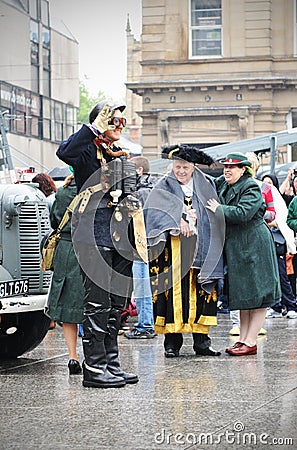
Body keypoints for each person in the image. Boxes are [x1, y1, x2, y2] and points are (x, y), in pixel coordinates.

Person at [56, 100, 139, 388]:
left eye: (121, 121)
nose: (118, 125)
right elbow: (64, 151)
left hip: (119, 237)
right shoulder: (85, 152)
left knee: (116, 304)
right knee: (97, 304)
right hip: (92, 236)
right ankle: (94, 367)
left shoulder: (119, 154)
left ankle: (110, 363)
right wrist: (93, 128)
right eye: (112, 120)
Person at [145, 144, 224, 358]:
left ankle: (202, 342)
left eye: (185, 167)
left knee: (200, 290)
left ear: (194, 167)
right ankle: (172, 342)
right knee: (172, 293)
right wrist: (176, 220)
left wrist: (201, 216)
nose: (181, 171)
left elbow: (217, 213)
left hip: (201, 247)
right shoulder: (163, 186)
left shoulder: (206, 184)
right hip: (172, 251)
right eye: (177, 166)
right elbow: (152, 213)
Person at [206, 152, 281, 356]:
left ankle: (251, 340)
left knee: (258, 294)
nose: (227, 170)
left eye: (233, 167)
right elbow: (209, 180)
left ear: (243, 170)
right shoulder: (227, 183)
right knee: (245, 295)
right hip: (239, 246)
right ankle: (243, 339)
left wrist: (219, 209)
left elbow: (242, 213)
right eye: (225, 167)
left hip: (255, 244)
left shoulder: (250, 187)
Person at [228, 151, 276, 336]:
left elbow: (272, 214)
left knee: (258, 289)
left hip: (255, 239)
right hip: (238, 241)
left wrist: (256, 212)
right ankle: (242, 333)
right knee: (241, 288)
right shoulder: (230, 186)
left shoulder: (260, 187)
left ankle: (250, 338)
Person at [45, 172, 85, 375]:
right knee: (93, 306)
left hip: (66, 251)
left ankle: (72, 357)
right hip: (89, 250)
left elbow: (55, 222)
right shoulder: (97, 191)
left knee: (68, 308)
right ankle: (93, 356)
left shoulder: (62, 193)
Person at [124, 156, 157, 339]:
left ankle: (145, 325)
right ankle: (146, 323)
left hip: (142, 245)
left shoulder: (142, 191)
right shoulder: (149, 188)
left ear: (139, 170)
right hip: (146, 244)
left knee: (142, 285)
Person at [261, 173, 297, 318]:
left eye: (269, 183)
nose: (266, 185)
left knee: (282, 275)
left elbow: (284, 219)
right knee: (269, 276)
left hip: (278, 242)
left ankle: (290, 304)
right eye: (264, 183)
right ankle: (275, 305)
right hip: (265, 241)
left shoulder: (279, 199)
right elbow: (291, 219)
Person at [32, 172, 58, 330]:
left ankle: (50, 318)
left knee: (50, 281)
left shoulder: (46, 201)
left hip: (50, 244)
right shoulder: (56, 196)